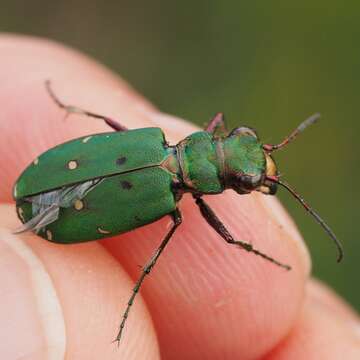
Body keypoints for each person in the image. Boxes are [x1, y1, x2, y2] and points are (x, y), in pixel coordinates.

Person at [0, 35, 359, 359]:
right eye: (249, 183)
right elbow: (229, 239)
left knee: (112, 120)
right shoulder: (167, 203)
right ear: (220, 179)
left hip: (76, 172)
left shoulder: (152, 141)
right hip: (53, 182)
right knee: (230, 238)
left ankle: (65, 106)